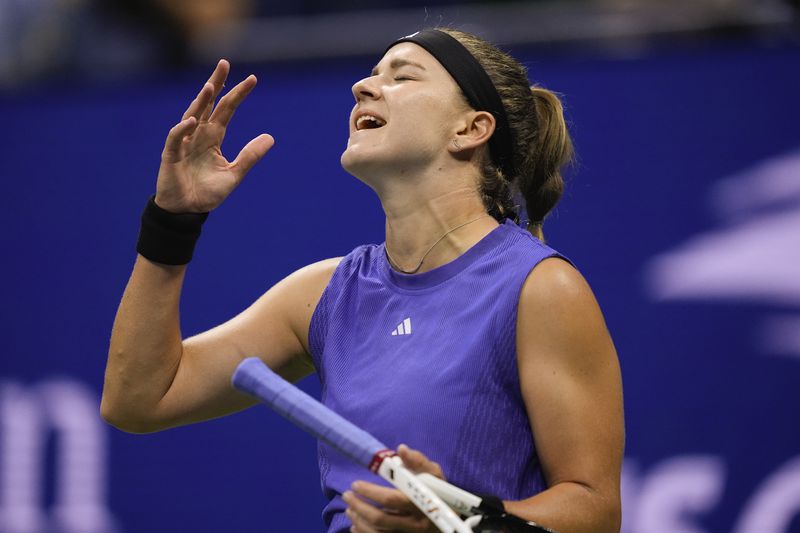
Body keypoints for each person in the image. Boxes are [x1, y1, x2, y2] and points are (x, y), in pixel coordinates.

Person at [101, 28, 624, 533]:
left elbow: (595, 511)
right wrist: (172, 222)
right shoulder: (325, 295)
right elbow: (140, 399)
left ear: (470, 129)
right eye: (373, 74)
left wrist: (456, 519)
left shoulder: (540, 288)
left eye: (403, 76)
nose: (363, 86)